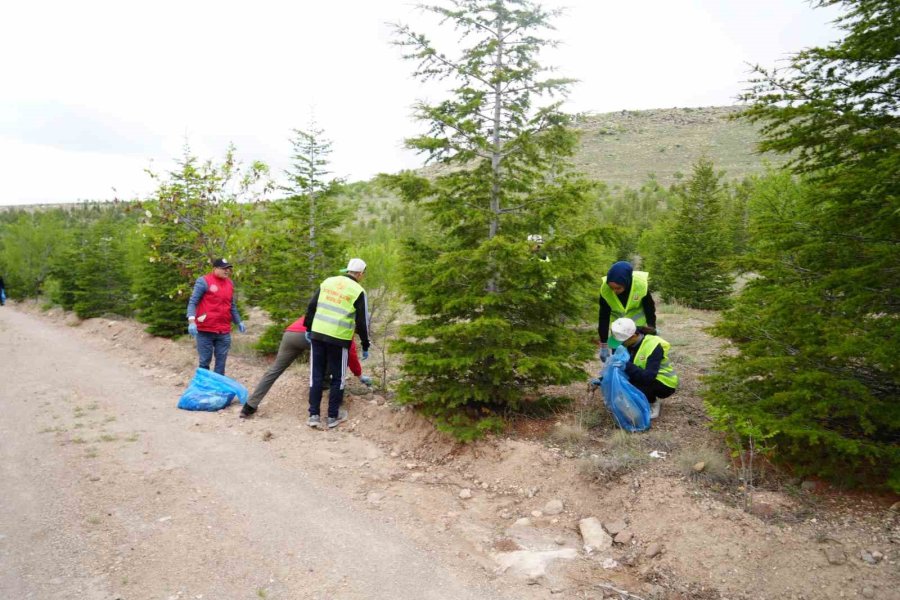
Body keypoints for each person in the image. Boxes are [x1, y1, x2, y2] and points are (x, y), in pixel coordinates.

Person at [239, 316, 372, 419]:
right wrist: (359, 375)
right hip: (309, 336)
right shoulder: (345, 326)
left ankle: (249, 406)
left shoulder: (327, 310)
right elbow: (350, 353)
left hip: (291, 334)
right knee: (333, 354)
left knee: (274, 370)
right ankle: (324, 393)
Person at [304, 258, 371, 429]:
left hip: (318, 334)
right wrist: (365, 344)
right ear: (361, 274)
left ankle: (314, 415)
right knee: (338, 378)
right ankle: (332, 416)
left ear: (347, 270)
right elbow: (362, 322)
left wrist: (308, 327)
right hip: (339, 339)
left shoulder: (328, 282)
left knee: (316, 375)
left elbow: (312, 306)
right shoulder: (358, 291)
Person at [608, 317, 678, 420]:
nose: (620, 345)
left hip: (664, 382)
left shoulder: (653, 346)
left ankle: (652, 402)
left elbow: (648, 377)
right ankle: (643, 398)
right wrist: (602, 379)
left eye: (622, 342)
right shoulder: (630, 344)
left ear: (633, 337)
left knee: (631, 391)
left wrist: (627, 366)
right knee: (623, 388)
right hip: (645, 375)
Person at [186, 258, 246, 376]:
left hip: (223, 330)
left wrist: (238, 321)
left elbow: (231, 305)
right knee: (204, 362)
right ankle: (203, 389)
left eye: (228, 268)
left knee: (221, 363)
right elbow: (193, 302)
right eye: (223, 268)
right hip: (205, 329)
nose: (227, 271)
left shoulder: (229, 283)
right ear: (215, 269)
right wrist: (191, 321)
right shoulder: (204, 281)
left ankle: (217, 391)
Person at [598, 261, 657, 362]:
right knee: (618, 361)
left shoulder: (640, 286)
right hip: (618, 331)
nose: (614, 291)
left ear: (626, 281)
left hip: (638, 330)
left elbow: (649, 309)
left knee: (637, 360)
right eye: (612, 288)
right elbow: (604, 316)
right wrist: (604, 344)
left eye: (618, 288)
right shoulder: (605, 290)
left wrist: (652, 329)